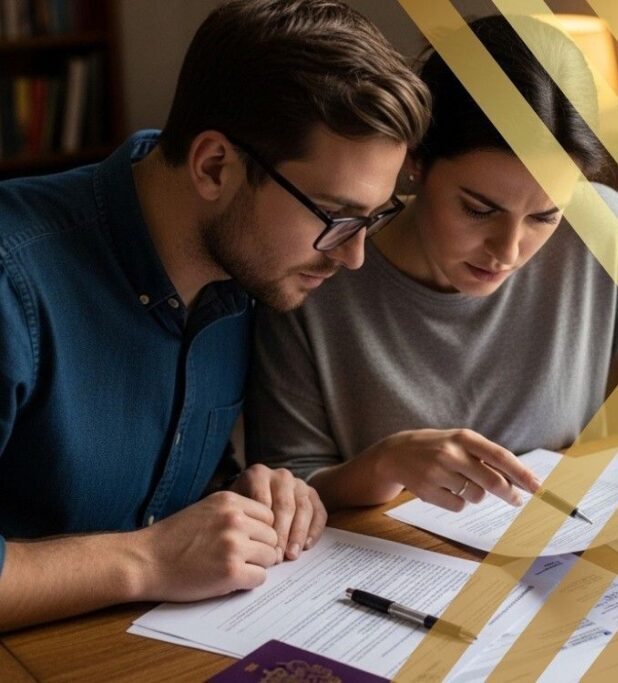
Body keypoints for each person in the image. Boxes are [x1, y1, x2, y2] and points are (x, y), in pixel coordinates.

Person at [0, 0, 431, 631]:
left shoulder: (246, 272)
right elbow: (150, 547)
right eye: (335, 217)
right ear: (213, 167)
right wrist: (146, 560)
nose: (355, 255)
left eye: (372, 218)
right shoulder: (13, 279)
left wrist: (245, 498)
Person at [246, 15, 618, 514]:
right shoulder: (316, 269)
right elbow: (290, 486)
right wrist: (386, 465)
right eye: (479, 209)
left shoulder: (600, 230)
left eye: (544, 216)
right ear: (415, 161)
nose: (507, 251)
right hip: (378, 566)